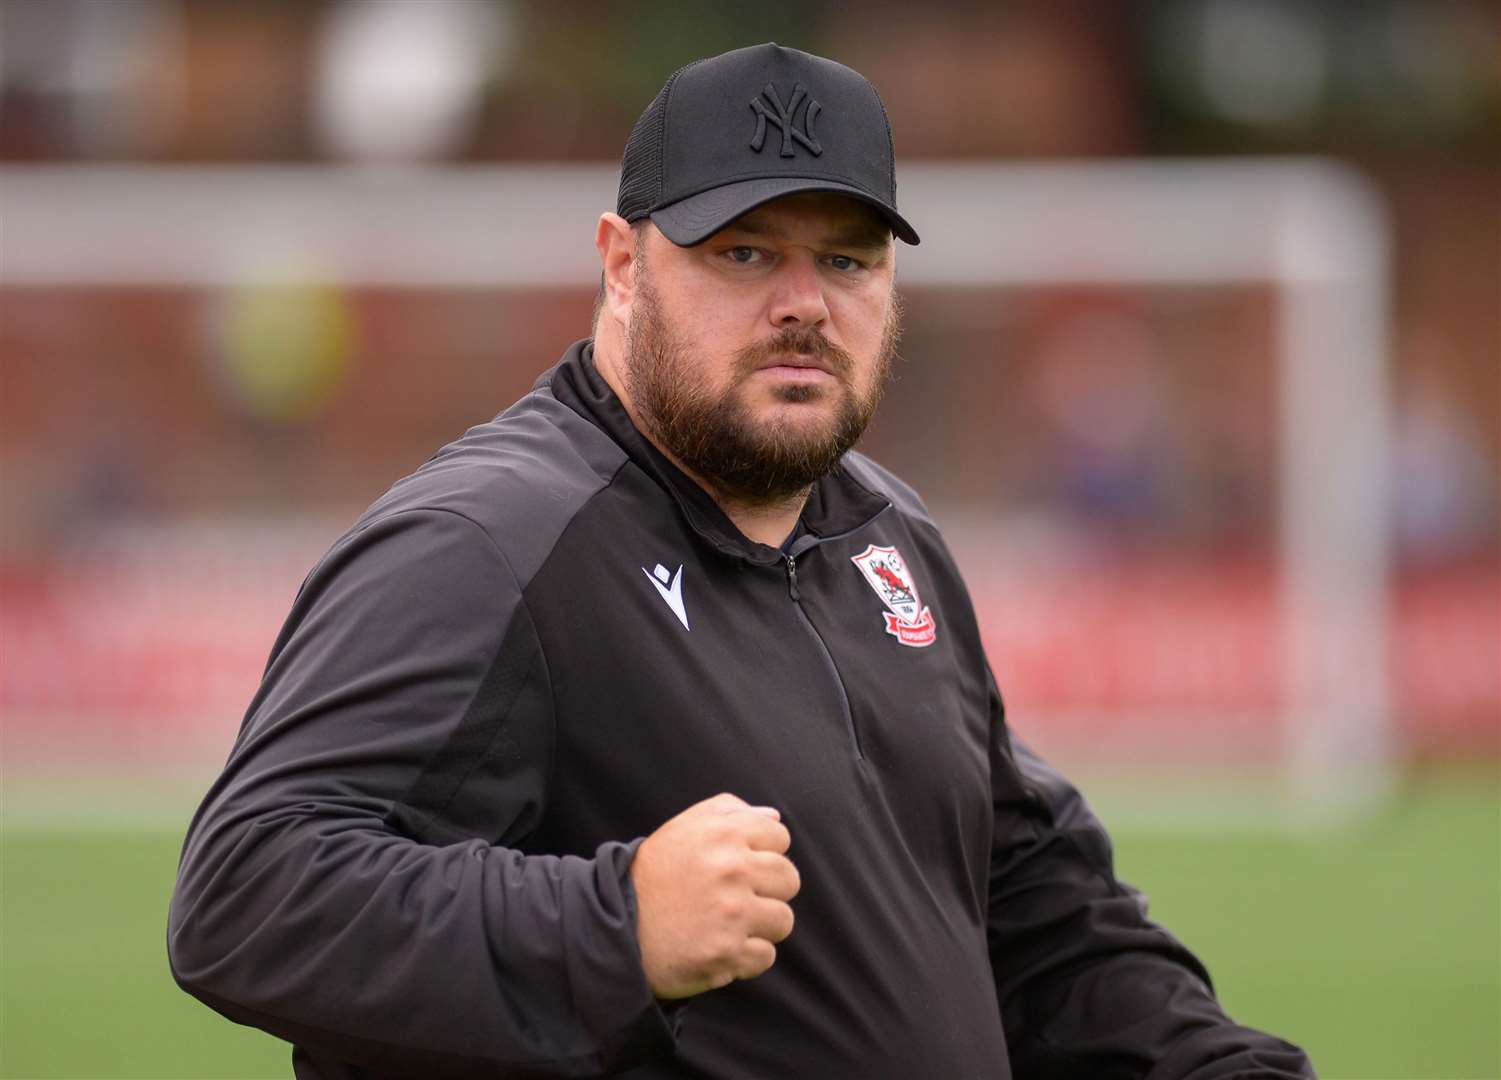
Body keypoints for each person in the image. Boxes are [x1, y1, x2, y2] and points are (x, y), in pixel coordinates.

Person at [168, 43, 1315, 1080]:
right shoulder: (492, 541)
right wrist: (614, 925)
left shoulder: (885, 534)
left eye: (850, 262)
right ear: (622, 265)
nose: (805, 305)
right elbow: (245, 895)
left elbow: (1032, 913)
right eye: (746, 251)